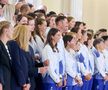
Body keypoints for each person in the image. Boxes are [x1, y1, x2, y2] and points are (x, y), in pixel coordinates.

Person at [8, 24, 31, 90]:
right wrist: (23, 83)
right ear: (23, 34)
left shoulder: (22, 47)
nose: (29, 35)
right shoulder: (13, 44)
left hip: (22, 83)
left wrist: (27, 82)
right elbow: (16, 65)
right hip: (15, 83)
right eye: (28, 32)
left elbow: (26, 67)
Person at [0, 21, 13, 90]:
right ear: (6, 31)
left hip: (8, 82)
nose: (13, 32)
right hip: (2, 83)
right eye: (11, 29)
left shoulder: (8, 46)